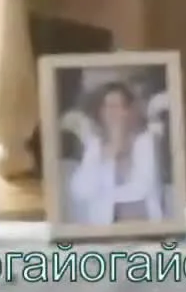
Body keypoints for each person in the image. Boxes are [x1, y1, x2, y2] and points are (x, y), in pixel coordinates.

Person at [67, 81, 163, 225]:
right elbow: (80, 190)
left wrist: (102, 195)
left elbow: (142, 188)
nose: (111, 112)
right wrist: (108, 155)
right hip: (104, 227)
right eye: (106, 106)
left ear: (128, 111)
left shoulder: (144, 142)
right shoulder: (95, 145)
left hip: (142, 224)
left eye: (116, 106)